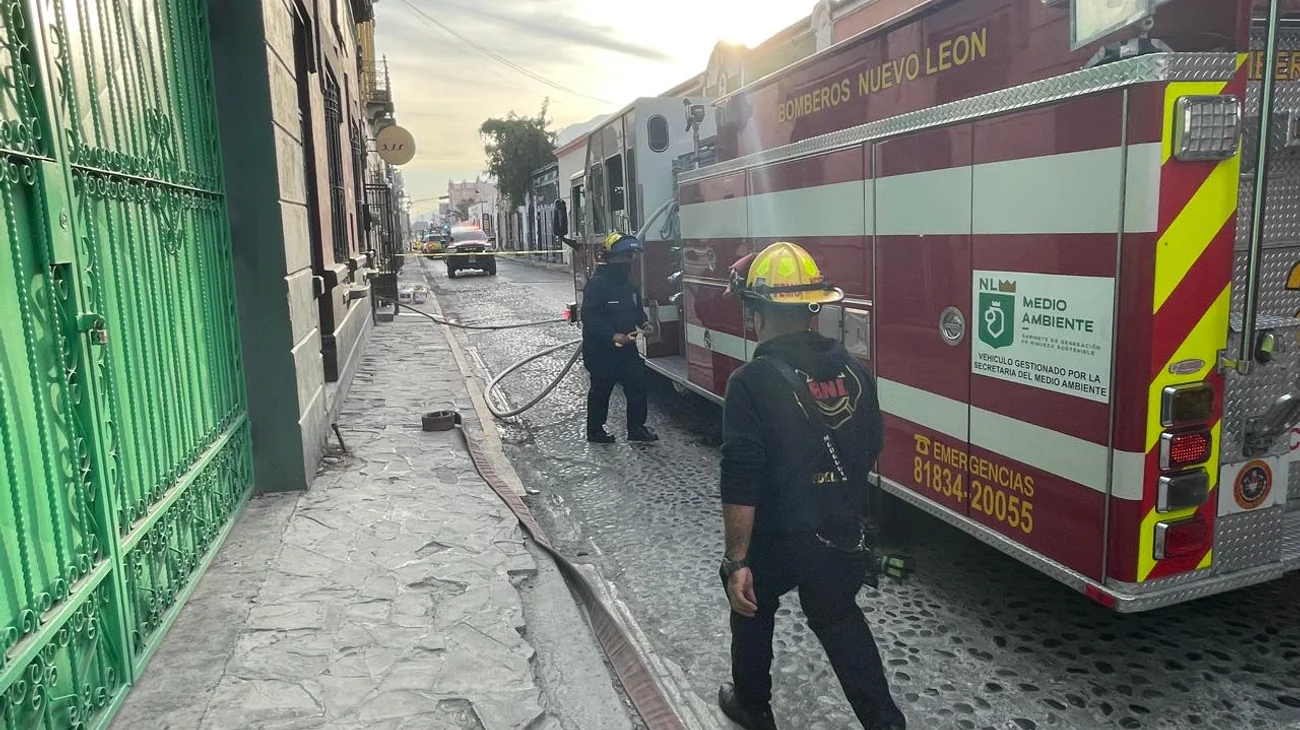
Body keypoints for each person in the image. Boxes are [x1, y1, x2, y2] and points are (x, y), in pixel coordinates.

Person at [716, 241, 905, 730]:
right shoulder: (857, 375)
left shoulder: (751, 382)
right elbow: (871, 445)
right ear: (811, 308)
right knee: (838, 616)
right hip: (838, 531)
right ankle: (885, 722)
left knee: (751, 603)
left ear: (757, 311)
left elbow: (742, 479)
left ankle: (753, 707)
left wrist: (736, 561)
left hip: (777, 537)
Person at [581, 232, 659, 444]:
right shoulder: (597, 285)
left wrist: (644, 323)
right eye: (624, 257)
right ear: (610, 258)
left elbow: (636, 310)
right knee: (601, 390)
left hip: (627, 349)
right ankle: (595, 431)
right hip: (601, 351)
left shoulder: (628, 283)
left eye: (630, 257)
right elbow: (589, 317)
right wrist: (611, 335)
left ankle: (636, 429)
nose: (628, 262)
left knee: (637, 385)